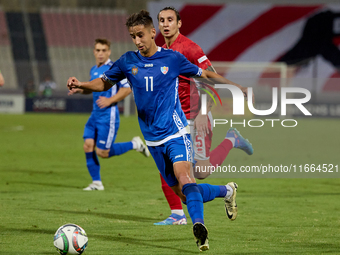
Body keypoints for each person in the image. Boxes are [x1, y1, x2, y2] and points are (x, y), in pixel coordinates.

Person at [67, 10, 251, 251]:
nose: (137, 41)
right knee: (185, 194)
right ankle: (227, 191)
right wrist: (82, 84)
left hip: (176, 132)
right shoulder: (127, 61)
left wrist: (235, 87)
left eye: (141, 35)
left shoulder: (173, 59)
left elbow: (205, 74)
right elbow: (104, 82)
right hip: (152, 141)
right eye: (133, 36)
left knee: (186, 177)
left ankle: (199, 228)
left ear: (152, 33)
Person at [153, 6, 253, 225]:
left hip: (196, 116)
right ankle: (178, 214)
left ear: (179, 23)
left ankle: (231, 140)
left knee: (201, 173)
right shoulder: (161, 52)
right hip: (174, 122)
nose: (166, 24)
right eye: (162, 20)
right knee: (172, 170)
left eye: (170, 20)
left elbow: (210, 78)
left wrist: (204, 112)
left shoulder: (190, 48)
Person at [68, 38, 150, 191]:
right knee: (88, 145)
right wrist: (79, 89)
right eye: (98, 50)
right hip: (95, 115)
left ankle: (135, 144)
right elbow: (92, 89)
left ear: (109, 52)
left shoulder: (114, 68)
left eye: (104, 50)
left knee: (103, 153)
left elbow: (127, 88)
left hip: (108, 116)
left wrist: (110, 100)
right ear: (94, 52)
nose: (100, 53)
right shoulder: (94, 69)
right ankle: (96, 183)